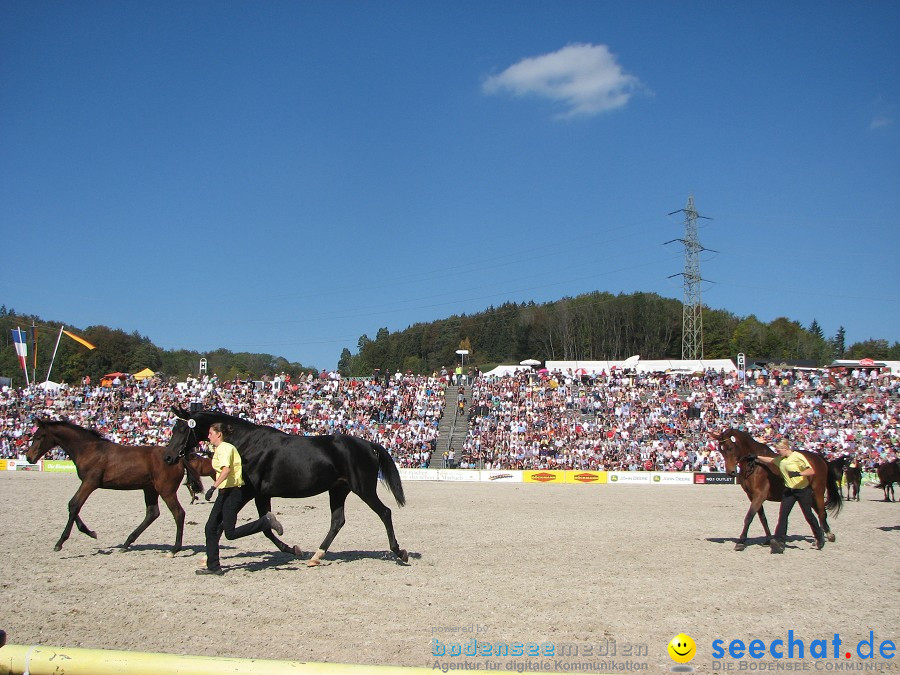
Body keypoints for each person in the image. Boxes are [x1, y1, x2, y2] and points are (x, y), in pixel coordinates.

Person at [197, 422, 284, 575]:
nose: (208, 436)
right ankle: (214, 566)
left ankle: (265, 522)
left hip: (232, 493)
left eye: (210, 433)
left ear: (219, 434)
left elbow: (226, 470)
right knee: (210, 527)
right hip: (225, 492)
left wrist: (212, 487)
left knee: (230, 533)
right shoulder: (223, 448)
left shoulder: (224, 448)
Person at [751, 438, 825, 554]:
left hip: (802, 490)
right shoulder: (781, 459)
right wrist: (756, 457)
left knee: (808, 515)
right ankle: (779, 541)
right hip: (789, 491)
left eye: (779, 450)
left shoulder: (797, 457)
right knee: (783, 515)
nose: (777, 452)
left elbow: (811, 471)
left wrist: (799, 473)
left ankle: (819, 536)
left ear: (785, 449)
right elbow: (770, 460)